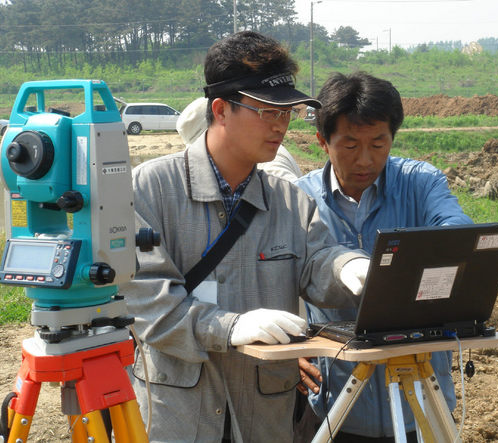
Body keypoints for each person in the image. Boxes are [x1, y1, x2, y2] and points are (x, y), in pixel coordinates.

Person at [122, 31, 370, 443]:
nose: (280, 125)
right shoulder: (150, 189)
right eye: (268, 111)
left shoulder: (290, 201)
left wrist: (348, 266)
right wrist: (228, 326)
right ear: (221, 109)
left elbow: (317, 261)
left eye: (287, 113)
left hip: (262, 416)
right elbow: (146, 301)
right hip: (179, 415)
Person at [293, 71, 473, 442]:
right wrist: (287, 352)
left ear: (392, 138)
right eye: (349, 145)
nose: (365, 160)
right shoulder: (298, 199)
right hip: (336, 402)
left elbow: (456, 230)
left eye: (378, 144)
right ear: (323, 142)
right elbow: (276, 277)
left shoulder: (421, 183)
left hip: (421, 401)